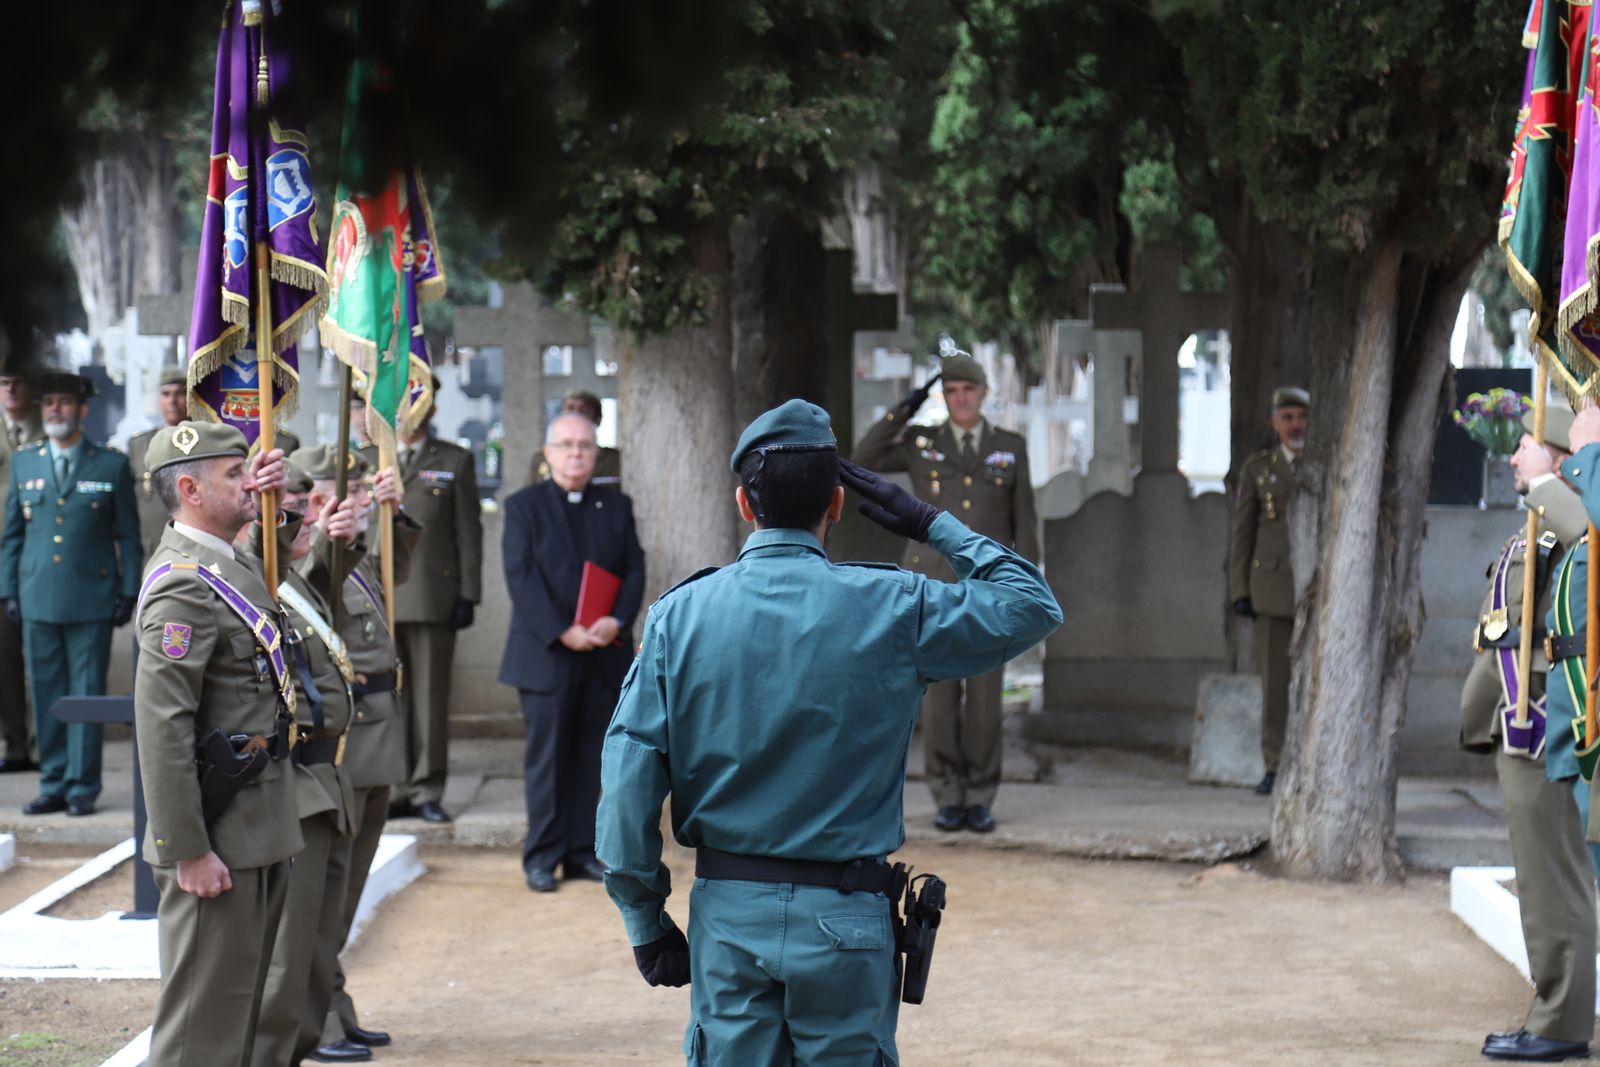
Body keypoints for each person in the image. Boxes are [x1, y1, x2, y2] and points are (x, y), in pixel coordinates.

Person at [596, 399, 1060, 1065]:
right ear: (838, 505)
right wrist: (932, 523)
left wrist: (644, 920)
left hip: (730, 918)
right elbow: (1032, 605)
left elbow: (627, 783)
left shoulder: (678, 618)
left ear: (743, 503)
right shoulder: (897, 607)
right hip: (848, 922)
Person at [133, 420, 301, 1066]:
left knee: (236, 1016)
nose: (249, 478)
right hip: (218, 832)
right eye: (234, 473)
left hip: (254, 824)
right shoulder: (182, 583)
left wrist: (274, 504)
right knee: (199, 1034)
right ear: (189, 488)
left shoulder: (222, 563)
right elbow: (163, 724)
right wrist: (189, 848)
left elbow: (263, 576)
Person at [852, 353, 1039, 833]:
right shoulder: (921, 442)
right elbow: (866, 455)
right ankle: (946, 793)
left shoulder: (1009, 446)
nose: (960, 399)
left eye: (968, 391)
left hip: (986, 587)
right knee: (937, 697)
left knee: (984, 698)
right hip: (931, 583)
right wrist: (909, 404)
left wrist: (1026, 584)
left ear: (983, 394)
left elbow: (1026, 522)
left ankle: (980, 795)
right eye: (951, 391)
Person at [1461, 409, 1595, 1064]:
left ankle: (1562, 1021)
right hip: (1517, 723)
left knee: (1554, 881)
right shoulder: (1536, 526)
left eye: (1525, 447)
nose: (1514, 458)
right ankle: (1553, 1011)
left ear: (1555, 455)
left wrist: (1552, 483)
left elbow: (1591, 541)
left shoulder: (1573, 518)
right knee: (1539, 879)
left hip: (1546, 723)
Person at [295, 444, 416, 1062]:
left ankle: (336, 1008)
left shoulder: (360, 559)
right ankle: (318, 1023)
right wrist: (331, 539)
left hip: (377, 734)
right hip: (347, 741)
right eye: (317, 500)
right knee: (327, 898)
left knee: (347, 890)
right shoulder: (309, 563)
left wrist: (393, 513)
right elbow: (319, 578)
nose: (346, 505)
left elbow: (396, 569)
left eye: (359, 492)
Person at [246, 463, 365, 1067]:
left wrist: (335, 530)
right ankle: (273, 1053)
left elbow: (325, 564)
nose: (298, 511)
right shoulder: (256, 578)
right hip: (295, 779)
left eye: (301, 501)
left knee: (315, 946)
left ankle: (299, 1048)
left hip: (327, 778)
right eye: (286, 503)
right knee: (289, 952)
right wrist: (269, 506)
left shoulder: (294, 580)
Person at [502, 411, 643, 892]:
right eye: (566, 445)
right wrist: (563, 630)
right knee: (548, 760)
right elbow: (520, 577)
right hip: (547, 655)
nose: (576, 453)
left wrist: (616, 621)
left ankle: (583, 851)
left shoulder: (616, 505)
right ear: (548, 453)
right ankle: (541, 857)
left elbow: (633, 568)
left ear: (596, 453)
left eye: (584, 445)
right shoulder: (524, 506)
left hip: (603, 652)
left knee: (591, 757)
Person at [0, 371, 140, 817]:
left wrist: (129, 589)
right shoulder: (25, 463)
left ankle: (82, 786)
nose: (55, 410)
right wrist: (8, 589)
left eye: (63, 403)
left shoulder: (110, 464)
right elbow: (12, 535)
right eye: (48, 404)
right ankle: (54, 782)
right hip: (36, 594)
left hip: (91, 599)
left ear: (83, 410)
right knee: (44, 692)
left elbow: (129, 536)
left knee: (84, 694)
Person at [384, 379, 484, 824]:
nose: (410, 406)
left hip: (430, 596)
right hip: (375, 596)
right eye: (403, 396)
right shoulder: (369, 457)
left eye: (418, 397)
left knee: (427, 697)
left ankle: (425, 788)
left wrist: (468, 593)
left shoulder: (453, 460)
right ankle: (392, 787)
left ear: (432, 404)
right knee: (386, 699)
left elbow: (469, 531)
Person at [1228, 385, 1310, 795]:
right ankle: (1275, 764)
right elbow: (1242, 534)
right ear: (1275, 423)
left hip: (1317, 592)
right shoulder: (1258, 470)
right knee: (1275, 685)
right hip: (1273, 592)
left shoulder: (1325, 464)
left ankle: (1313, 764)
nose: (1296, 425)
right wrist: (1239, 589)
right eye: (1287, 417)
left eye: (1301, 417)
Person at [0, 360, 43, 773]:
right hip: (2, 561)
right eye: (4, 383)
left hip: (43, 561)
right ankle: (14, 745)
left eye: (18, 383)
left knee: (44, 661)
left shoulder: (50, 431)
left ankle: (43, 745)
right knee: (5, 660)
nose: (11, 390)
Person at [127, 365, 190, 560]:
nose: (172, 401)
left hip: (193, 553)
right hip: (149, 552)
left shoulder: (208, 443)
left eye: (180, 393)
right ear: (158, 398)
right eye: (166, 394)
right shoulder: (139, 446)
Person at [533, 389, 622, 488]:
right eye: (570, 409)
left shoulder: (615, 460)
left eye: (583, 411)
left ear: (598, 418)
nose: (575, 415)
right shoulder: (542, 459)